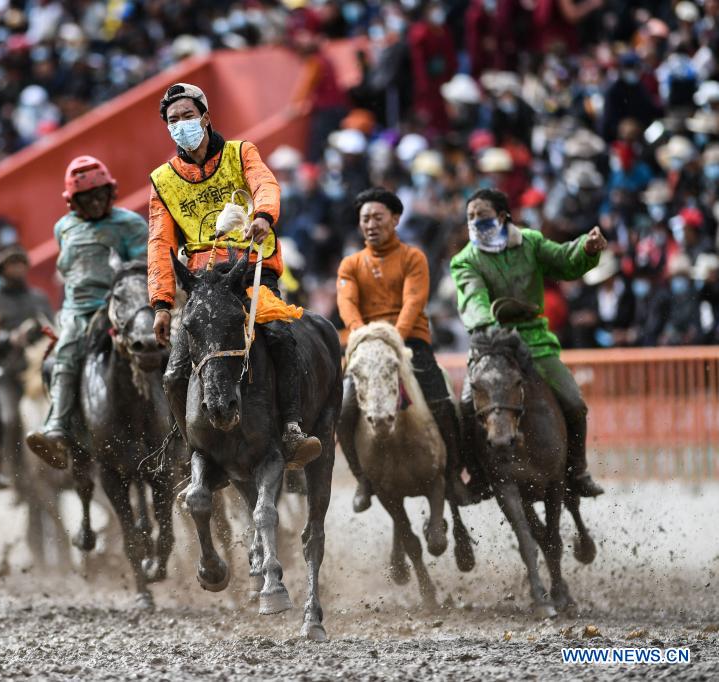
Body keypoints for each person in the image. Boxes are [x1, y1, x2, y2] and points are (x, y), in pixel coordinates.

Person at [147, 82, 320, 468]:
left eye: (188, 116)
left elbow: (265, 183)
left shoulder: (241, 152)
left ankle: (291, 428)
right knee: (175, 374)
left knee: (278, 335)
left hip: (251, 272)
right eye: (173, 120)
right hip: (203, 286)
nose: (181, 125)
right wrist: (161, 303)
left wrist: (262, 215)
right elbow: (159, 243)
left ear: (206, 118)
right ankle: (192, 447)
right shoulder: (162, 180)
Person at [450, 188, 606, 499]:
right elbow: (473, 296)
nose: (474, 222)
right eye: (470, 217)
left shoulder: (531, 242)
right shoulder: (464, 260)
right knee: (466, 406)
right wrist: (486, 326)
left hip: (535, 342)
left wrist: (586, 249)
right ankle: (478, 475)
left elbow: (564, 261)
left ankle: (577, 470)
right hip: (490, 345)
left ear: (503, 216)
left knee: (574, 401)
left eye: (481, 216)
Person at [336, 188, 471, 512]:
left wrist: (393, 339)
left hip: (410, 344)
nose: (371, 224)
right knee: (342, 409)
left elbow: (413, 302)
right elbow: (347, 304)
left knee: (442, 403)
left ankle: (452, 475)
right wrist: (363, 336)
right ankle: (363, 479)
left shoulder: (413, 258)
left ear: (395, 220)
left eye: (378, 217)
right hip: (367, 350)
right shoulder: (351, 264)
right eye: (365, 218)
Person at [25, 156, 148, 469]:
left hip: (123, 306)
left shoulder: (130, 224)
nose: (95, 202)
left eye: (100, 195)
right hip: (77, 313)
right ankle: (58, 427)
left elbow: (141, 267)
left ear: (111, 193)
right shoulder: (63, 228)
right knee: (61, 357)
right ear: (72, 202)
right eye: (86, 198)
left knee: (162, 346)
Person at [0, 245, 53, 478]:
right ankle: (11, 470)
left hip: (37, 371)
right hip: (7, 373)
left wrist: (36, 330)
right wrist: (9, 338)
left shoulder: (38, 297)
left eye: (21, 263)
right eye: (12, 264)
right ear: (2, 269)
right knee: (10, 418)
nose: (17, 268)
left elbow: (50, 327)